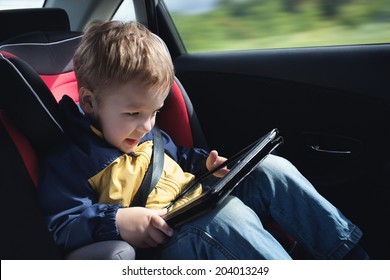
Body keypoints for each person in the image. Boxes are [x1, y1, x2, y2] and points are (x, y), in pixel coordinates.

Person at [38, 20, 369, 260]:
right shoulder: (71, 158)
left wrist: (205, 164)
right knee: (227, 220)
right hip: (169, 240)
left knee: (271, 169)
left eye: (155, 111)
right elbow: (63, 224)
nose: (145, 125)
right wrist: (119, 222)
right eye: (133, 114)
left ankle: (350, 257)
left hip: (199, 199)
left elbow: (178, 156)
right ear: (90, 102)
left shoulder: (148, 134)